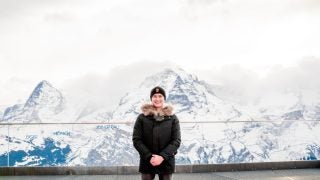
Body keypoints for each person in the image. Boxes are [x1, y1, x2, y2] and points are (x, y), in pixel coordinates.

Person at [132, 86, 181, 180]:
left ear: (164, 98)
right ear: (151, 98)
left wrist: (162, 157)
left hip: (166, 160)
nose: (157, 99)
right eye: (154, 96)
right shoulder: (142, 118)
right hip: (147, 161)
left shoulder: (173, 118)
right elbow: (136, 140)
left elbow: (176, 140)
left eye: (160, 96)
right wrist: (149, 156)